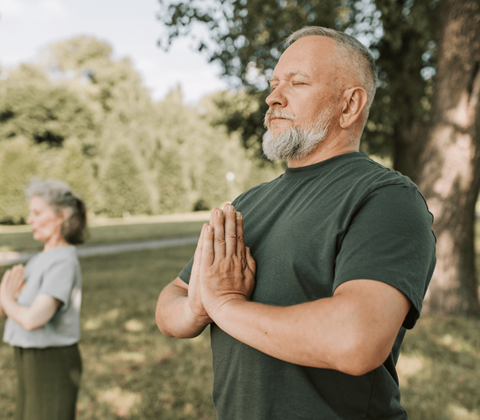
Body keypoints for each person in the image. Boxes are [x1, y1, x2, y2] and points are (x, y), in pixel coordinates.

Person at [155, 26, 436, 420]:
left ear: (349, 105)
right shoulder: (247, 204)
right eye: (272, 84)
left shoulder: (386, 198)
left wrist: (225, 306)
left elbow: (355, 340)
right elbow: (172, 298)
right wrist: (197, 309)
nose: (272, 97)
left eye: (297, 82)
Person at [0, 179, 86, 420]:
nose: (30, 220)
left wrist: (7, 300)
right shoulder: (41, 259)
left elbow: (33, 318)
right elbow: (7, 307)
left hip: (52, 360)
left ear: (62, 216)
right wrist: (6, 300)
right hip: (28, 357)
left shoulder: (63, 262)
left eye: (37, 213)